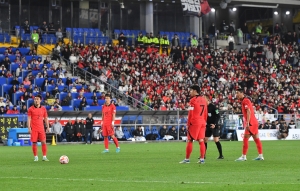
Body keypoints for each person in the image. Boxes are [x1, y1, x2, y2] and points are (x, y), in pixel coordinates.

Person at [179, 85, 208, 164]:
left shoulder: (193, 100)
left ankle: (187, 159)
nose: (190, 92)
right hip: (202, 122)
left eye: (191, 90)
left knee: (190, 140)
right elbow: (205, 112)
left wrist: (188, 123)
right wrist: (204, 121)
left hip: (195, 122)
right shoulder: (204, 100)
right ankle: (202, 159)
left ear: (195, 91)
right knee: (201, 140)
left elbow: (190, 113)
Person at [235, 89, 264, 161]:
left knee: (245, 139)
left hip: (250, 123)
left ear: (242, 93)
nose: (236, 95)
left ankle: (243, 156)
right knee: (256, 139)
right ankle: (260, 156)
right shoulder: (244, 101)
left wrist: (247, 122)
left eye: (238, 93)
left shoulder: (245, 101)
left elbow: (248, 111)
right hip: (254, 122)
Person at [27, 95, 50, 162]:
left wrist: (48, 127)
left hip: (41, 128)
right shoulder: (31, 109)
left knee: (43, 142)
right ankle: (36, 157)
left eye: (37, 99)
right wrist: (29, 128)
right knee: (34, 143)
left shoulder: (43, 109)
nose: (36, 100)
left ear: (40, 100)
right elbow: (29, 119)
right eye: (35, 99)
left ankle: (44, 157)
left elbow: (45, 118)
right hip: (34, 129)